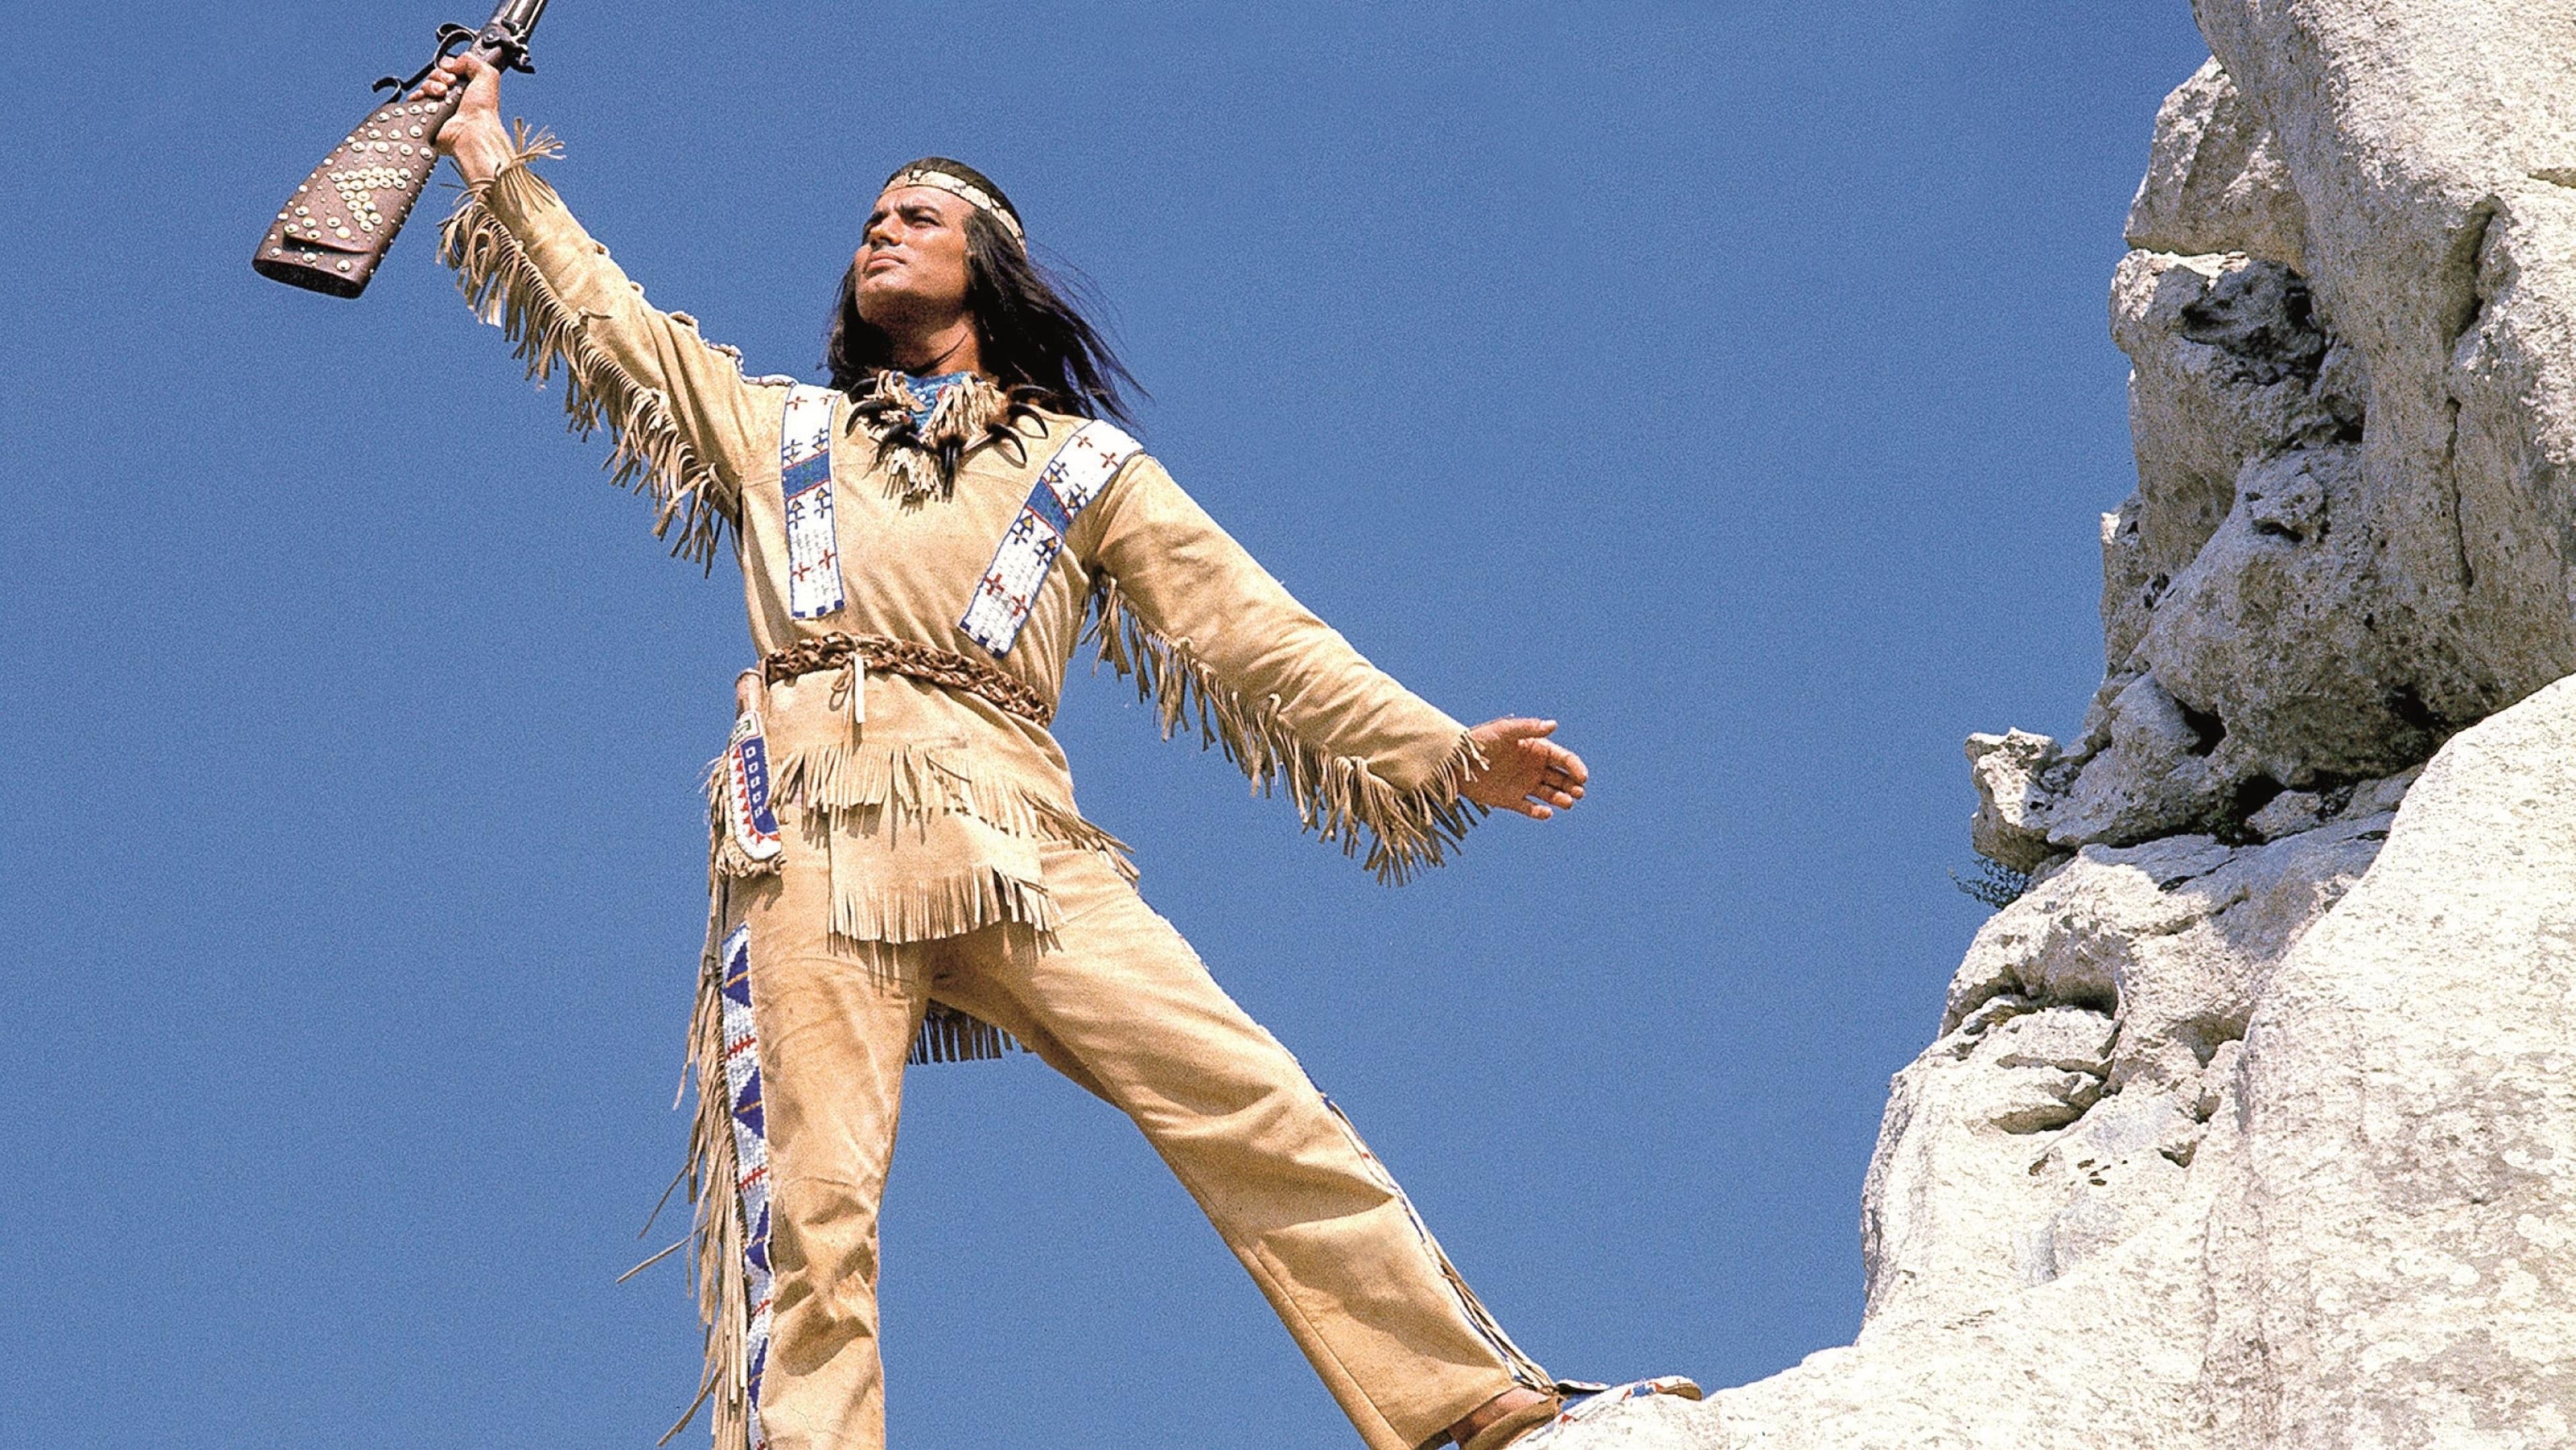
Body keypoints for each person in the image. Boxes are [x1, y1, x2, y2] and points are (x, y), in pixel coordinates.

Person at [412, 51, 1694, 1450]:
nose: (878, 233)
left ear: (990, 269)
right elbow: (610, 317)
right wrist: (484, 149)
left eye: (916, 217)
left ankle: (1470, 1399)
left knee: (1246, 1091)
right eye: (867, 222)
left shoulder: (1084, 468)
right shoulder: (781, 428)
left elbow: (1254, 633)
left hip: (1019, 837)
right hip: (809, 833)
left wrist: (1442, 752)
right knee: (813, 1210)